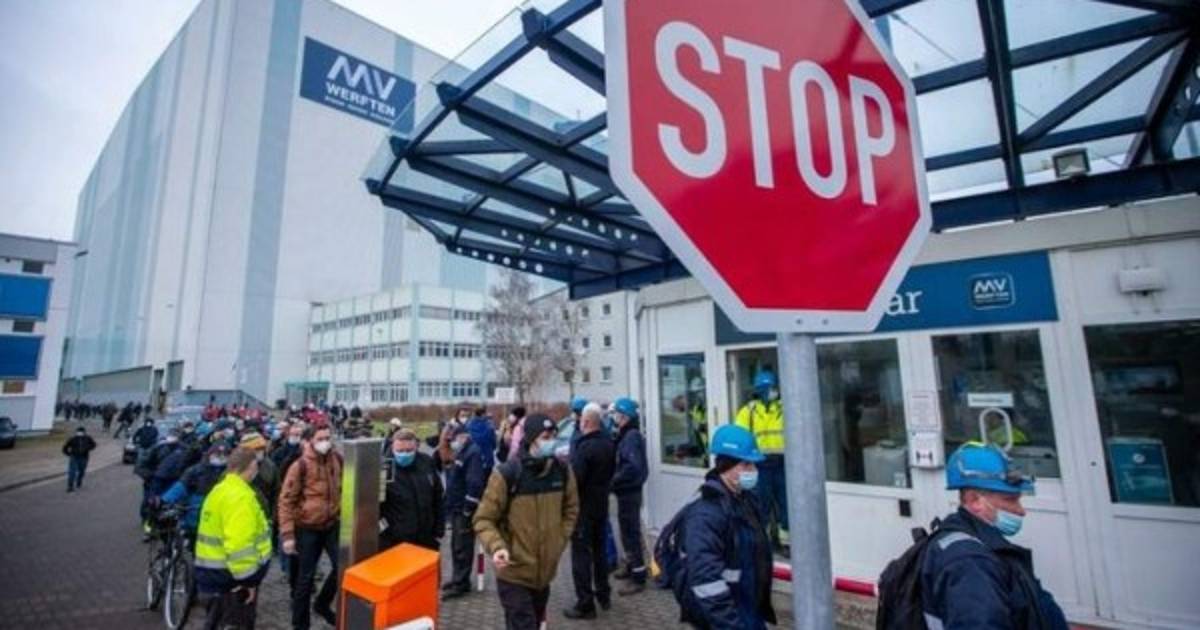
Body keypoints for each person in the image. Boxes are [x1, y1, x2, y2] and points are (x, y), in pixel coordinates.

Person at [919, 443, 1068, 629]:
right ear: (974, 500)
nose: (1021, 511)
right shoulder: (969, 562)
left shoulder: (986, 546)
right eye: (1010, 500)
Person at [474, 415, 580, 630]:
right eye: (546, 437)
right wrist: (497, 547)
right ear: (531, 439)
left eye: (554, 436)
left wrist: (560, 538)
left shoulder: (562, 471)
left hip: (544, 575)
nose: (551, 441)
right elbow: (483, 519)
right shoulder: (507, 474)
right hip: (513, 572)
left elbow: (571, 509)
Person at [678, 424, 776, 629]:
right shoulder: (705, 513)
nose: (753, 471)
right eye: (746, 465)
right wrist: (731, 624)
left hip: (749, 607)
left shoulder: (746, 500)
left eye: (754, 464)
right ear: (726, 466)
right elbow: (706, 582)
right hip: (729, 617)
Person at [195, 447, 273, 630]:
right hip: (231, 581)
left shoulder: (219, 490)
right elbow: (239, 546)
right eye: (255, 466)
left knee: (215, 621)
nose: (256, 471)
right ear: (248, 467)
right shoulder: (240, 497)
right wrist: (248, 582)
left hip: (214, 576)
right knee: (235, 622)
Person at [278, 425, 342, 629]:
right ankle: (300, 625)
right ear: (311, 441)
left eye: (328, 437)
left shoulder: (337, 459)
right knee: (305, 579)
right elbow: (286, 501)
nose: (325, 442)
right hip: (307, 528)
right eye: (320, 438)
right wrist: (288, 535)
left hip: (331, 525)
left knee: (342, 567)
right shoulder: (300, 466)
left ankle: (322, 604)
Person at [564, 402, 616, 619]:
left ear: (585, 422)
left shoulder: (585, 447)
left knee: (581, 555)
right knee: (599, 552)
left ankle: (585, 604)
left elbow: (575, 480)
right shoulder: (609, 443)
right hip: (601, 505)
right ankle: (604, 594)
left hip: (584, 508)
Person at [734, 370, 788, 549]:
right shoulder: (748, 412)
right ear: (761, 390)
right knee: (760, 505)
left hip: (783, 463)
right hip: (759, 465)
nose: (774, 391)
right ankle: (762, 543)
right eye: (770, 388)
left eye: (774, 387)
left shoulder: (785, 407)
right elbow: (740, 438)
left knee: (786, 504)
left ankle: (786, 543)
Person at [441, 423, 487, 600]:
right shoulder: (463, 451)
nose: (451, 443)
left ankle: (461, 583)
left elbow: (475, 484)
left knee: (463, 547)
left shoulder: (472, 453)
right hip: (456, 507)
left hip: (463, 509)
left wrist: (468, 508)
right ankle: (457, 578)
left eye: (452, 439)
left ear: (462, 436)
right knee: (456, 545)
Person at [379, 429, 444, 551]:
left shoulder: (426, 463)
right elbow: (375, 508)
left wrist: (439, 530)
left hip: (426, 539)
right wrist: (386, 534)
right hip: (395, 542)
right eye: (400, 451)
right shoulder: (384, 469)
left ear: (416, 447)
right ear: (393, 447)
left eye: (409, 451)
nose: (404, 454)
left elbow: (437, 497)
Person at [610, 396, 649, 594]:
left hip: (629, 492)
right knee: (626, 532)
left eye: (617, 414)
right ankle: (631, 565)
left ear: (625, 416)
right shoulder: (625, 434)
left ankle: (638, 577)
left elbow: (632, 467)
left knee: (631, 534)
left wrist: (613, 481)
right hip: (626, 491)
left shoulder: (631, 436)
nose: (614, 417)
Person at [162, 444, 230, 541]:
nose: (220, 458)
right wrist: (163, 501)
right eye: (217, 454)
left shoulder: (230, 473)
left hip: (220, 518)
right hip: (194, 518)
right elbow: (179, 487)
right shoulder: (195, 471)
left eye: (224, 455)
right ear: (209, 454)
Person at [62, 425, 97, 492]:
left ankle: (79, 481)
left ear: (84, 432)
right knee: (72, 472)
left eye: (81, 432)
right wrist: (69, 454)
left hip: (84, 457)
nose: (80, 433)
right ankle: (70, 486)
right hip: (74, 457)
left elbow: (94, 445)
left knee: (82, 471)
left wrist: (88, 448)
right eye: (79, 432)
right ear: (76, 432)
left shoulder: (88, 438)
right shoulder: (72, 438)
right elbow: (65, 447)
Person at [466, 406, 498, 474]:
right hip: (487, 457)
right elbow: (494, 443)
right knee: (486, 476)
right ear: (483, 414)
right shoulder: (489, 426)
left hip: (473, 458)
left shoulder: (468, 425)